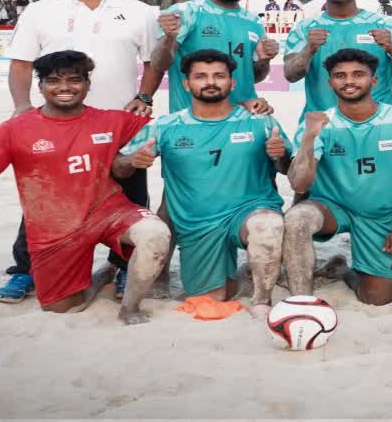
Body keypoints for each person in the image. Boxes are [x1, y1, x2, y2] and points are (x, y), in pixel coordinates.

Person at [0, 0, 161, 303]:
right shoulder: (40, 11)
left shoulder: (138, 12)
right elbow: (21, 63)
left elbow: (154, 63)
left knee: (130, 197)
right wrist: (22, 107)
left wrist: (144, 97)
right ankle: (25, 270)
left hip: (120, 125)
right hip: (56, 125)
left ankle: (123, 269)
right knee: (45, 199)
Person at [0, 51, 170, 324]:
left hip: (109, 213)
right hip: (54, 230)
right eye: (54, 81)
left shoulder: (114, 120)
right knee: (63, 309)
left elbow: (171, 130)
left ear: (88, 84)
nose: (65, 87)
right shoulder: (14, 129)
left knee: (155, 234)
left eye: (74, 80)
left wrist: (131, 157)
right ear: (40, 86)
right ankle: (101, 276)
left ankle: (130, 308)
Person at [115, 50, 291, 319]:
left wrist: (280, 157)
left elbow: (290, 170)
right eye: (201, 76)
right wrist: (132, 161)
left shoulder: (260, 121)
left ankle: (262, 299)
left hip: (250, 211)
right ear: (187, 84)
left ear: (232, 83)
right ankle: (243, 273)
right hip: (198, 225)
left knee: (267, 225)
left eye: (219, 76)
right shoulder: (165, 126)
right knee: (209, 300)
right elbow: (118, 166)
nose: (210, 82)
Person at [283, 48, 392, 305]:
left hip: (381, 213)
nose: (349, 81)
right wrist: (309, 136)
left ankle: (341, 270)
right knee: (297, 218)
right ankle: (300, 302)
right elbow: (300, 183)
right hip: (333, 207)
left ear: (373, 81)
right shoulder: (321, 123)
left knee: (378, 298)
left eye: (358, 74)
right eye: (340, 75)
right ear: (330, 83)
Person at [151, 0, 277, 115]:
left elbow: (254, 77)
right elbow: (159, 65)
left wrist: (264, 60)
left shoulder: (254, 22)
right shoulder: (186, 12)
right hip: (191, 123)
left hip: (243, 120)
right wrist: (168, 38)